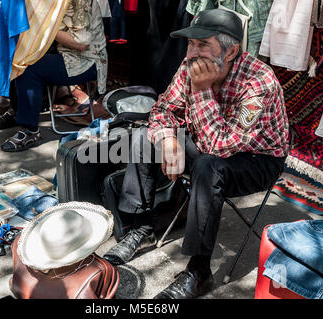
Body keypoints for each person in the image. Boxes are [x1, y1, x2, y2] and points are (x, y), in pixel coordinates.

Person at [102, 8, 290, 299]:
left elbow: (222, 146)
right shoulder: (192, 63)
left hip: (256, 160)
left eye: (203, 44)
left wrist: (201, 90)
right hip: (209, 144)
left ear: (231, 51)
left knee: (208, 167)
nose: (192, 52)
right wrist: (167, 140)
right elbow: (163, 109)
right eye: (191, 43)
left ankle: (198, 271)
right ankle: (142, 228)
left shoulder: (259, 83)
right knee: (142, 137)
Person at [0, 0, 108, 152]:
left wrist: (43, 27)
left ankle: (30, 131)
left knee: (28, 67)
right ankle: (17, 111)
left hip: (86, 61)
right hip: (61, 52)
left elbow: (81, 43)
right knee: (17, 55)